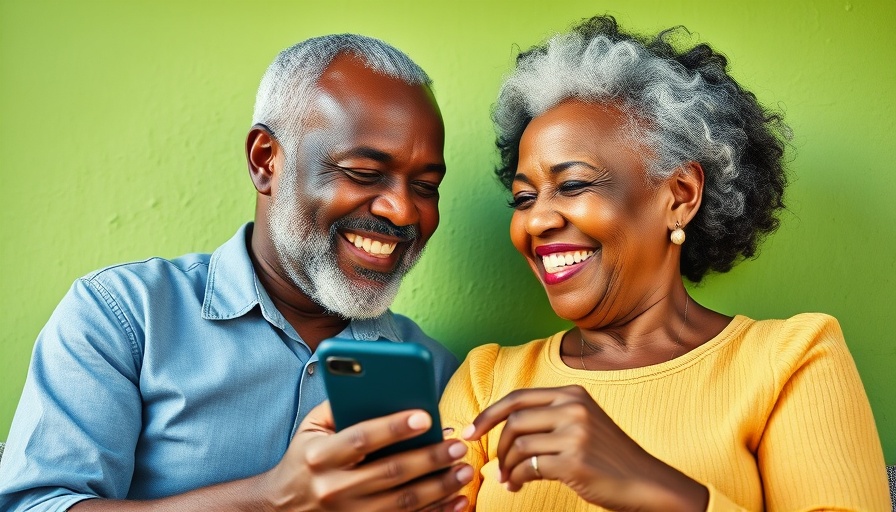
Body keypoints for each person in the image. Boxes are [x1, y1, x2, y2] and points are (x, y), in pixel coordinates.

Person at [0, 34, 473, 511]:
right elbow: (35, 504)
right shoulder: (124, 317)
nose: (402, 211)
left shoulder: (437, 376)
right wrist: (271, 499)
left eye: (425, 186)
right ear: (265, 159)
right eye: (364, 173)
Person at [439, 15, 890, 511]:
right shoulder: (485, 382)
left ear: (680, 195)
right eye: (523, 198)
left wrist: (645, 485)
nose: (537, 220)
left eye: (573, 185)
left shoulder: (790, 359)